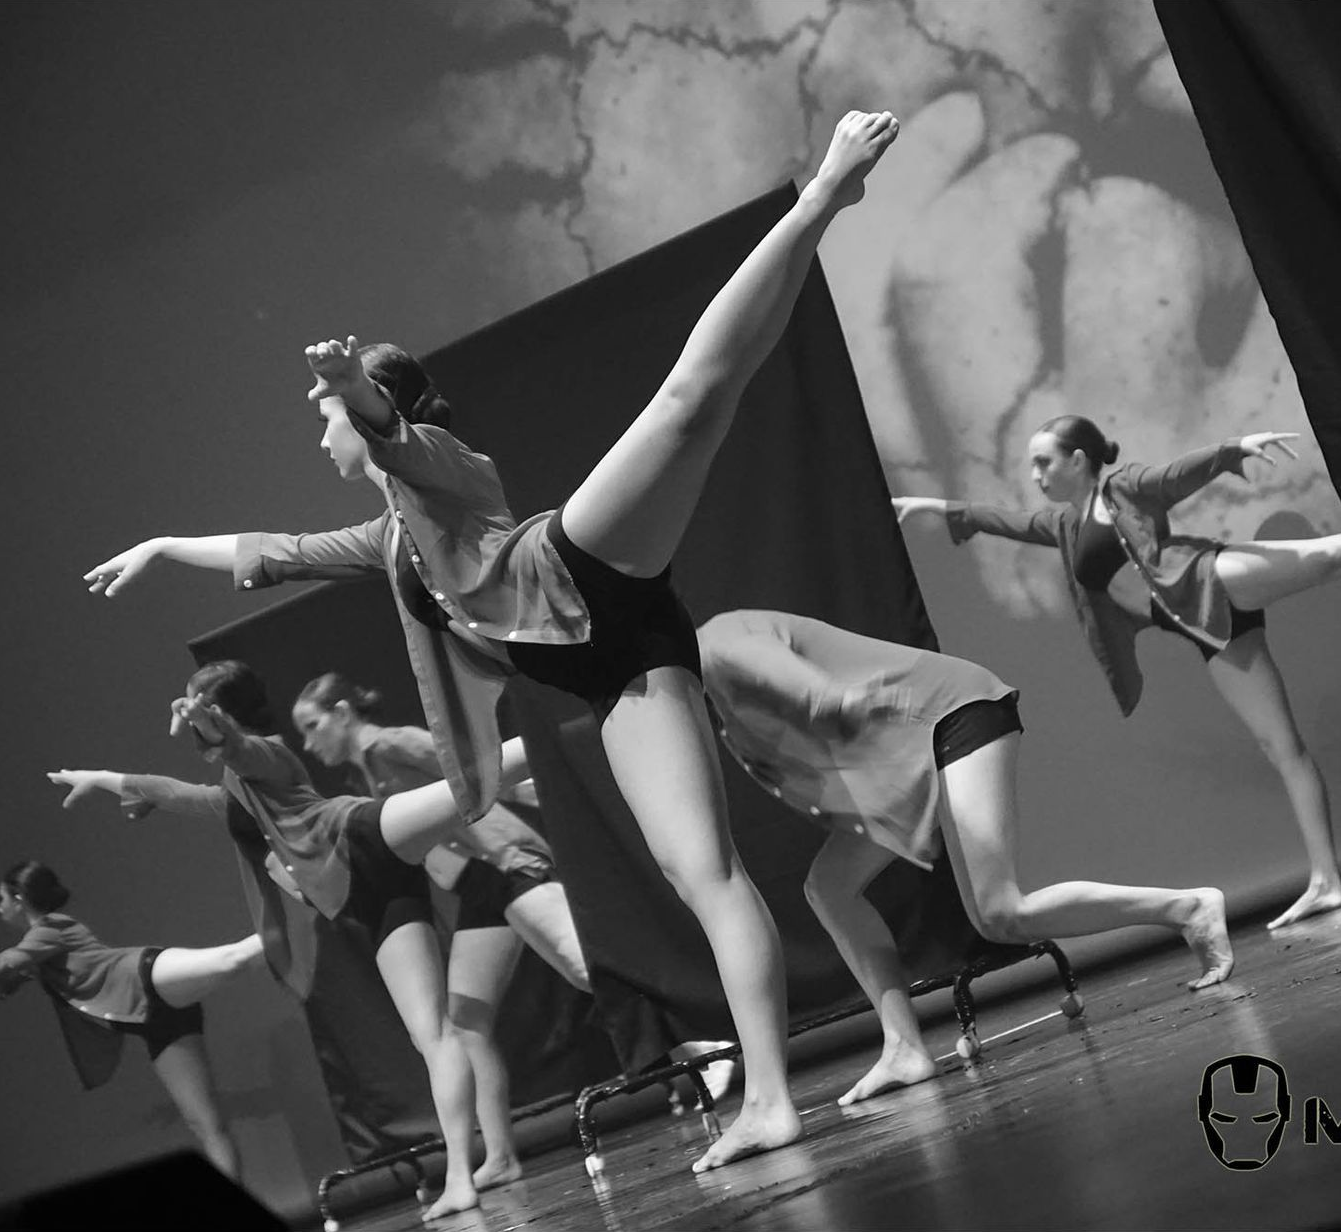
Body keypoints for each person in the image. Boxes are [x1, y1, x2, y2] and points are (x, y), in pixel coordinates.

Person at [82, 110, 901, 1171]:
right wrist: (157, 545)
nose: (324, 430)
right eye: (328, 412)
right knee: (706, 873)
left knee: (697, 397)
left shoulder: (439, 462)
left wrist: (354, 386)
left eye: (324, 415)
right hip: (611, 669)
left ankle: (825, 192)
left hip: (575, 566)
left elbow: (390, 425)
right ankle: (773, 1099)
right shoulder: (387, 539)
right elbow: (267, 544)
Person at [49, 660, 529, 1217]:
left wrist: (211, 723)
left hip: (359, 836)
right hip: (367, 899)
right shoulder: (236, 794)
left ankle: (569, 725)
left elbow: (242, 751)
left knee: (474, 782)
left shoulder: (270, 752)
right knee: (432, 1034)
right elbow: (181, 794)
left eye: (195, 706)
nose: (184, 719)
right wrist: (104, 780)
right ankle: (461, 1180)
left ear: (221, 712)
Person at [697, 609, 1233, 1105]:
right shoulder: (715, 686)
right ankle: (903, 1047)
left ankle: (1188, 908)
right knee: (831, 888)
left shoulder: (716, 644)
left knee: (1000, 913)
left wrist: (831, 700)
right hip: (917, 738)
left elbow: (804, 685)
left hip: (952, 714)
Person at [894, 414, 1341, 929]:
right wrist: (935, 506)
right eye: (1032, 466)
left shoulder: (1123, 489)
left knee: (1335, 555)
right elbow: (1007, 520)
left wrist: (1233, 449)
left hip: (1206, 583)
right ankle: (1326, 882)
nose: (1036, 475)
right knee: (1281, 747)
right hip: (1203, 628)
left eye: (1044, 462)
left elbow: (1175, 475)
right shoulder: (1067, 525)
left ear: (1078, 459)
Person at [292, 673, 738, 1135]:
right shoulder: (366, 771)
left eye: (311, 725)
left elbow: (483, 769)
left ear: (343, 714)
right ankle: (500, 1156)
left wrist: (558, 785)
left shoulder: (392, 744)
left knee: (591, 969)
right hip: (478, 887)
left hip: (505, 864)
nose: (308, 744)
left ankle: (704, 1043)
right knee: (465, 1019)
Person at [0, 860, 261, 1180]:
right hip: (155, 1022)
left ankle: (301, 915)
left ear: (19, 899)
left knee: (232, 960)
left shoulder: (51, 927)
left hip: (144, 978)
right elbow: (14, 970)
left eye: (1, 899)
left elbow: (4, 963)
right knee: (206, 1124)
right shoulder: (42, 947)